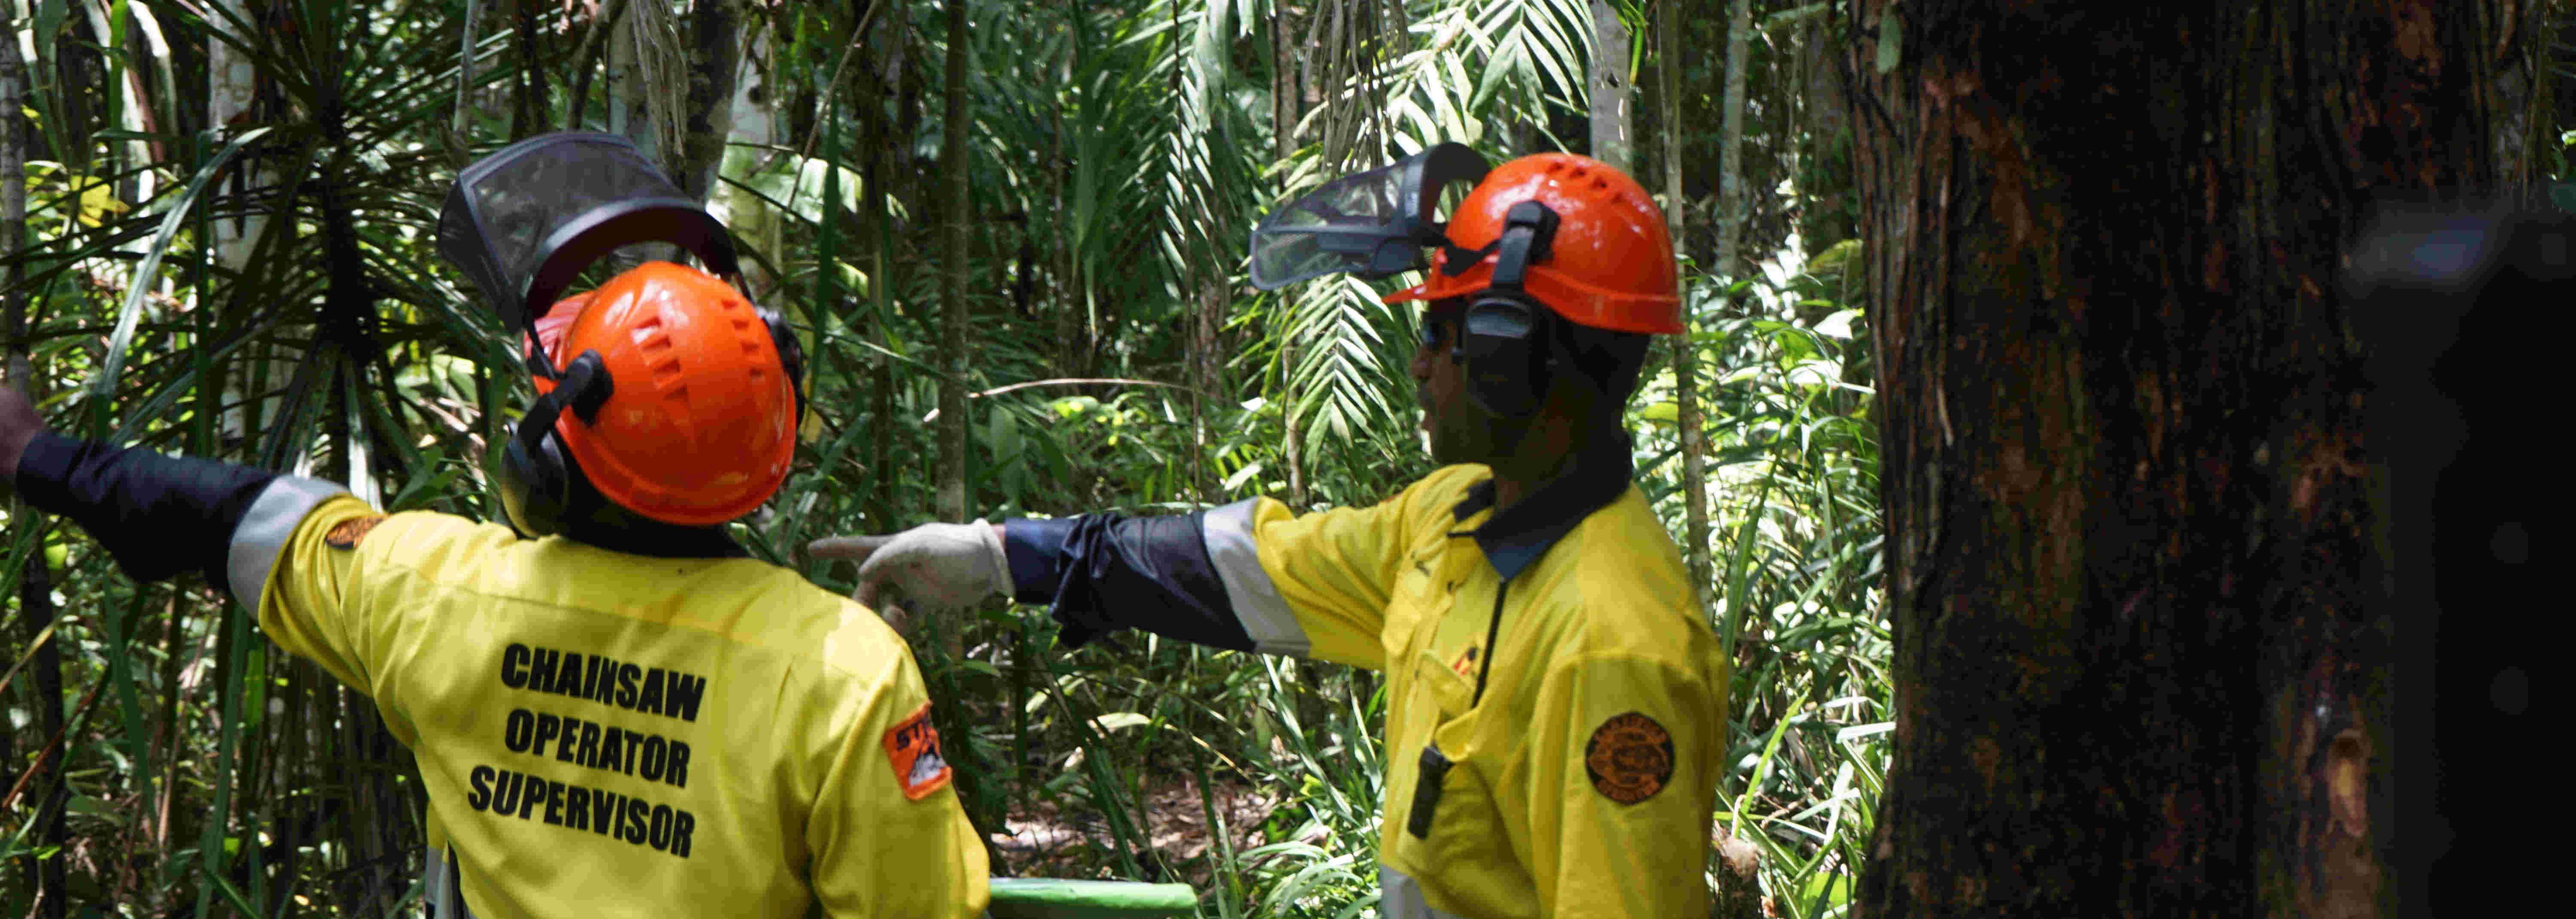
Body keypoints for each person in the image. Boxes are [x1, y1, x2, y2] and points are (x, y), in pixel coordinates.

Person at [0, 133, 987, 919]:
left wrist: (39, 456)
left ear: (552, 454)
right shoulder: (841, 669)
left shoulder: (430, 589)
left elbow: (230, 513)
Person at [810, 148, 1728, 919]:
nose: (1418, 364)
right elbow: (1238, 568)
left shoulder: (1612, 642)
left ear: (1510, 355)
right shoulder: (1453, 519)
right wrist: (1006, 556)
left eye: (1443, 332)